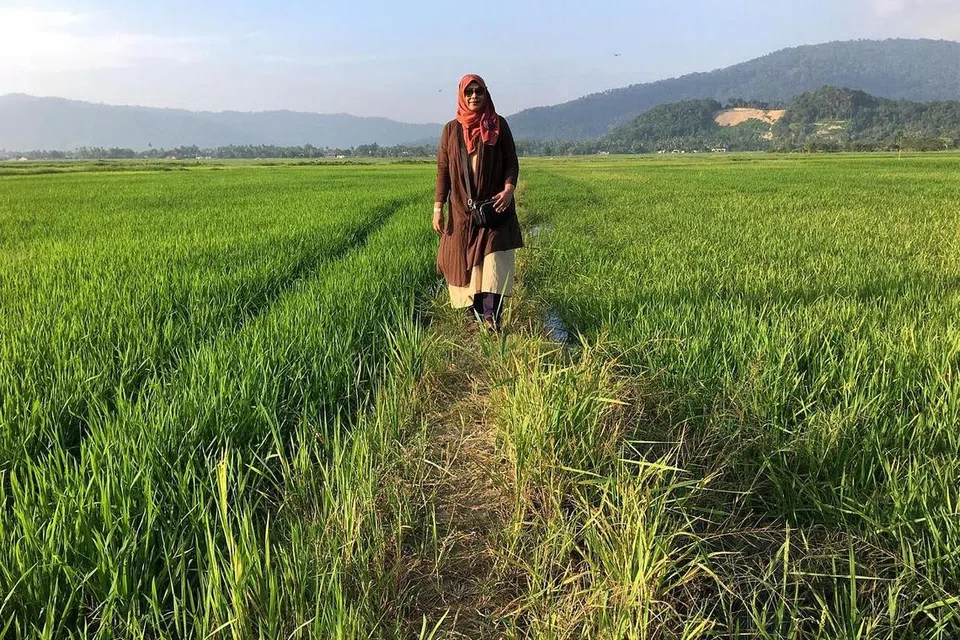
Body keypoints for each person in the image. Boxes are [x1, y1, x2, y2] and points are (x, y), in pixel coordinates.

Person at [434, 74, 523, 332]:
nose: (474, 96)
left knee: (493, 263)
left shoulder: (498, 125)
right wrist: (438, 208)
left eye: (479, 91)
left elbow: (511, 160)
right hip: (463, 211)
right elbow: (443, 171)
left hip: (495, 209)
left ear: (486, 94)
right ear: (461, 96)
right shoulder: (451, 130)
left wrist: (508, 189)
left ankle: (490, 319)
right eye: (469, 92)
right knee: (468, 264)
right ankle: (476, 318)